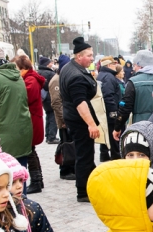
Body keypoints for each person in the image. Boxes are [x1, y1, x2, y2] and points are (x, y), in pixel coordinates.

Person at [59, 37, 100, 203]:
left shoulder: (69, 68)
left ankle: (92, 184)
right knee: (85, 154)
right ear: (79, 57)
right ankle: (83, 191)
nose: (92, 58)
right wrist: (91, 124)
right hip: (79, 120)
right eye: (89, 55)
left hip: (72, 117)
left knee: (85, 154)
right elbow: (80, 103)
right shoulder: (76, 75)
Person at [113, 50, 153, 140]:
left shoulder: (133, 82)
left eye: (135, 65)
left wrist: (117, 127)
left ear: (140, 65)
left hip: (140, 129)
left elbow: (125, 108)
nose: (133, 68)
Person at [13, 55, 46, 194]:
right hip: (32, 118)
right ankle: (38, 179)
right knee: (31, 150)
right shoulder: (29, 78)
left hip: (31, 120)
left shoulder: (30, 79)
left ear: (23, 68)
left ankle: (37, 181)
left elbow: (25, 97)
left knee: (29, 150)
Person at [49, 54, 75, 181]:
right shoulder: (56, 80)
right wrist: (63, 119)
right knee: (66, 144)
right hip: (64, 119)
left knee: (70, 143)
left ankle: (71, 167)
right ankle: (65, 169)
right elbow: (56, 102)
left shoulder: (62, 78)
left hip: (68, 116)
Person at [97, 55, 123, 161]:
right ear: (109, 65)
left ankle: (104, 154)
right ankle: (115, 156)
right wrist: (114, 113)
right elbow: (109, 95)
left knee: (105, 132)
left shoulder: (100, 75)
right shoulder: (109, 77)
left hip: (103, 110)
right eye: (114, 64)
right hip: (110, 109)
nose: (115, 66)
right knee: (113, 134)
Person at [37, 56, 59, 145]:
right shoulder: (49, 74)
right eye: (50, 62)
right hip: (50, 97)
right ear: (47, 64)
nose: (52, 63)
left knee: (48, 115)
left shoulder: (39, 72)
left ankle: (48, 135)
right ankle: (52, 137)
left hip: (44, 98)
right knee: (53, 116)